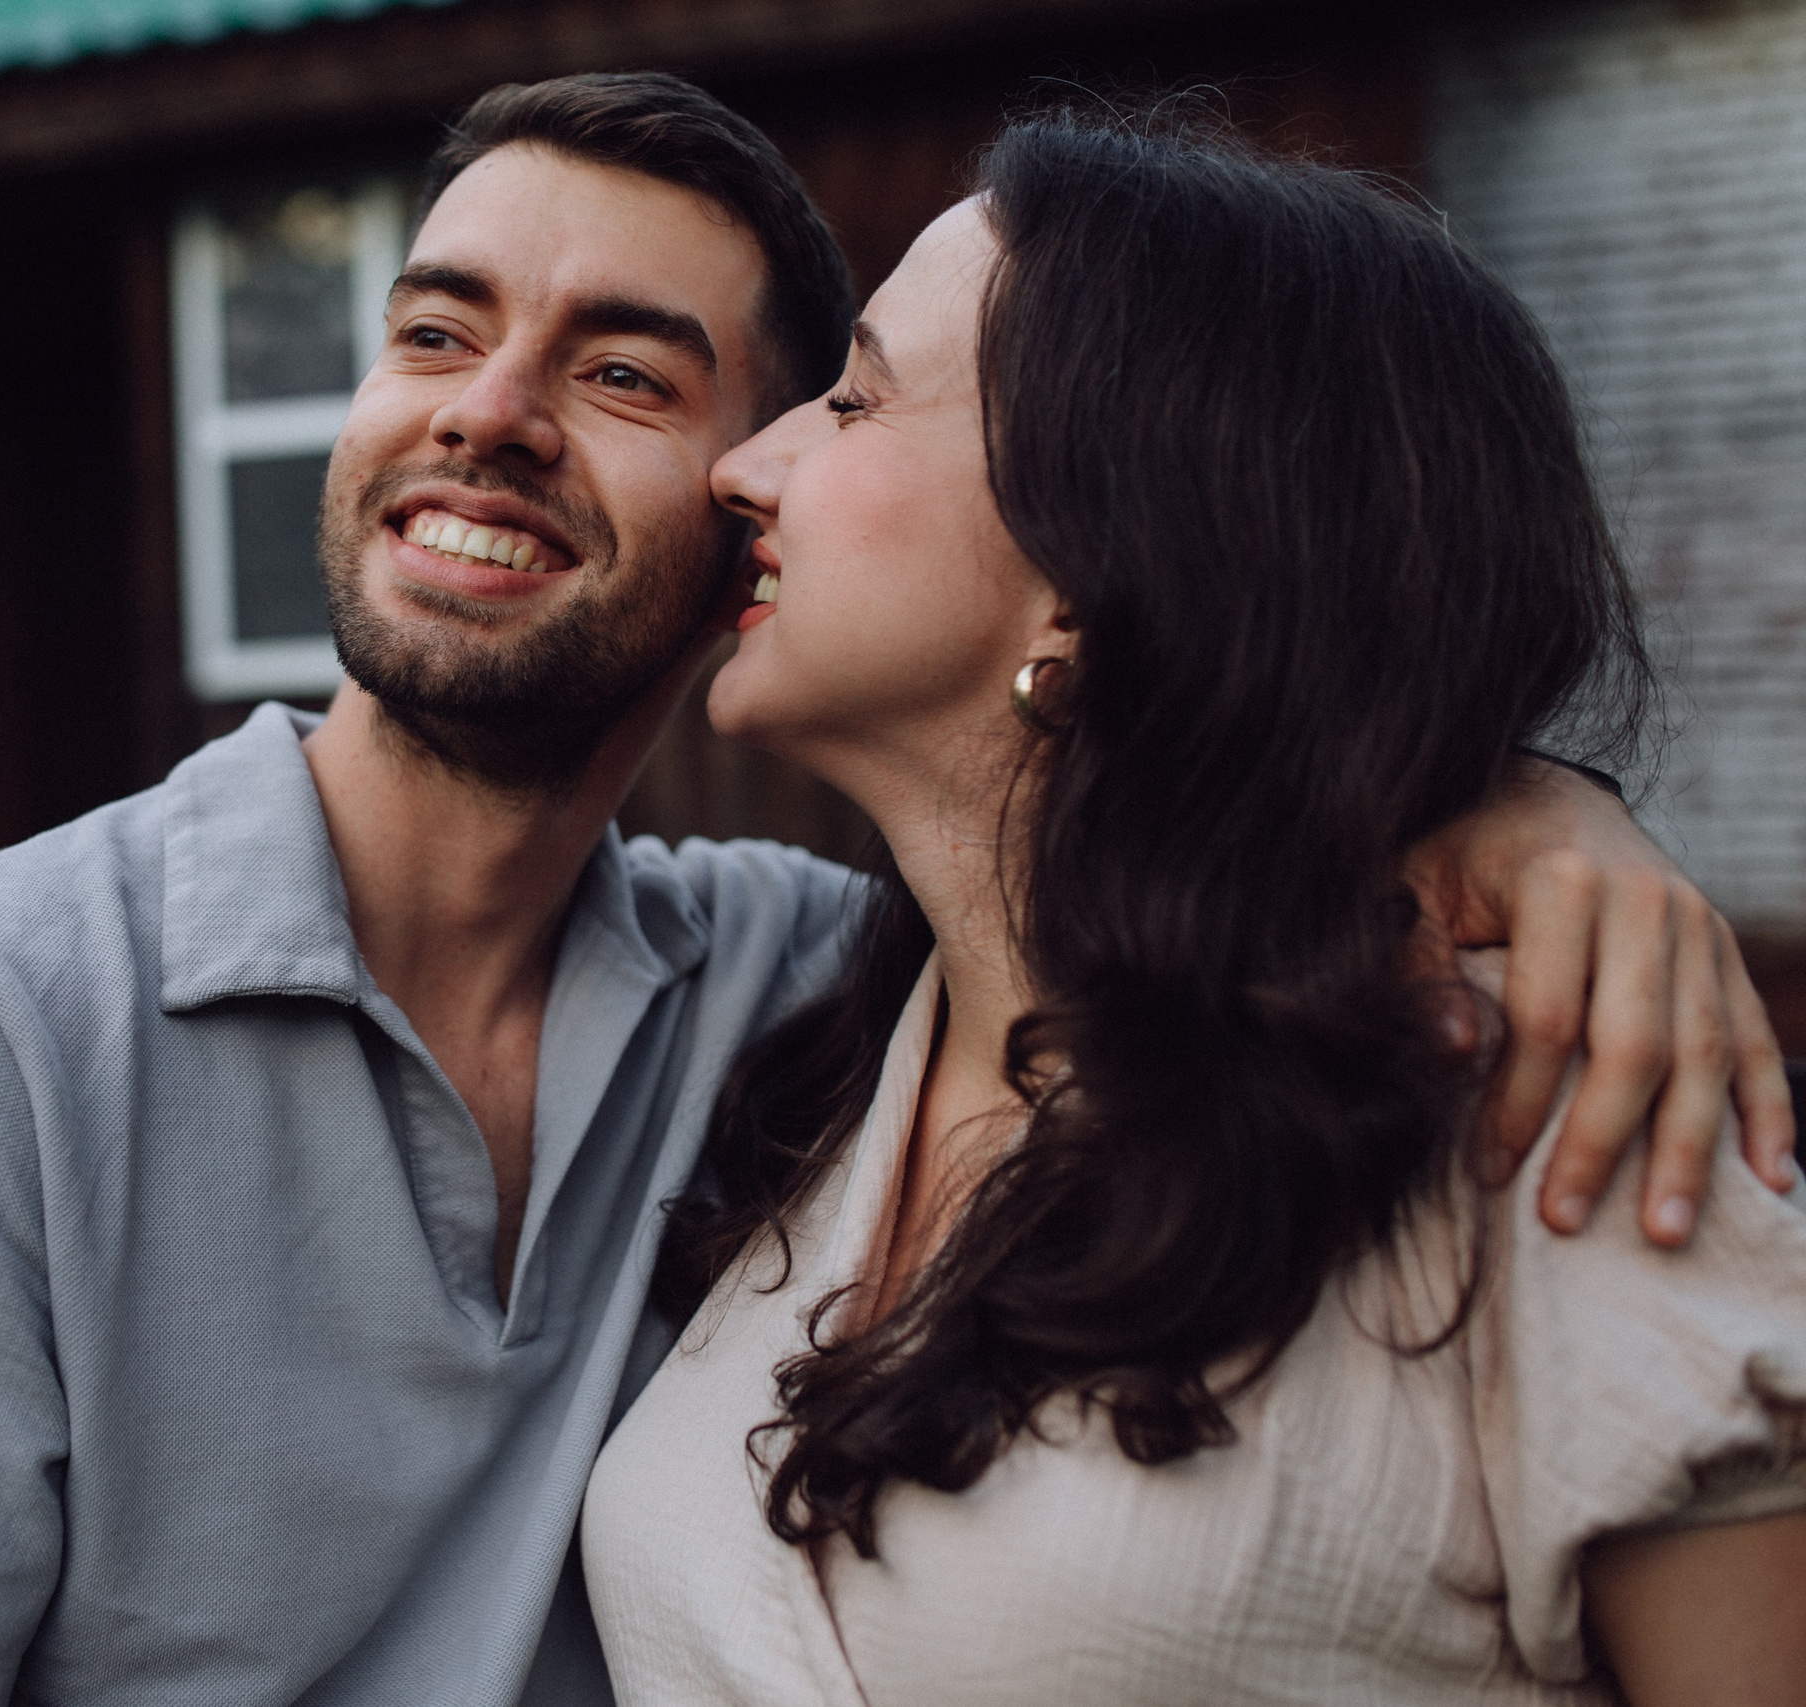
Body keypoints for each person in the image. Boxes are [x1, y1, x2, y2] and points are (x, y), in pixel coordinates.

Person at [0, 77, 1793, 1707]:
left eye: (630, 371)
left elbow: (1192, 839)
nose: (488, 413)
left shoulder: (798, 988)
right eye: (429, 331)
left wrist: (1514, 799)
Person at [580, 108, 1806, 1705]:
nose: (746, 465)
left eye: (861, 395)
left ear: (1095, 553)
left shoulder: (1540, 1113)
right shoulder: (802, 1054)